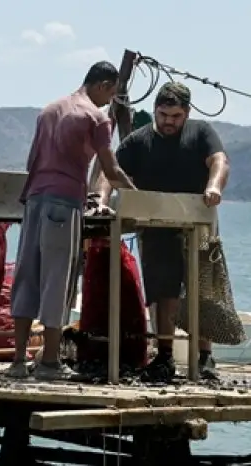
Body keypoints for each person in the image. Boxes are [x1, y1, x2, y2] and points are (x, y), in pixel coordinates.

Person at [7, 61, 137, 381]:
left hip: (34, 199)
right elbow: (111, 170)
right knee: (57, 281)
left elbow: (33, 159)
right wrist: (138, 196)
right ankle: (50, 362)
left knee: (26, 277)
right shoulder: (96, 117)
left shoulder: (48, 110)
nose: (111, 101)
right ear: (104, 85)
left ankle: (18, 362)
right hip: (64, 205)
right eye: (112, 93)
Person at [95, 82, 229, 379]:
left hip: (199, 221)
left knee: (202, 290)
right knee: (161, 291)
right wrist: (102, 200)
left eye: (176, 116)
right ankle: (165, 355)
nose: (169, 121)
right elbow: (112, 171)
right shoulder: (138, 140)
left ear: (187, 113)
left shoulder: (201, 132)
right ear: (155, 110)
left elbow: (219, 160)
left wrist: (214, 185)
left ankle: (205, 356)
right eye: (163, 114)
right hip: (155, 224)